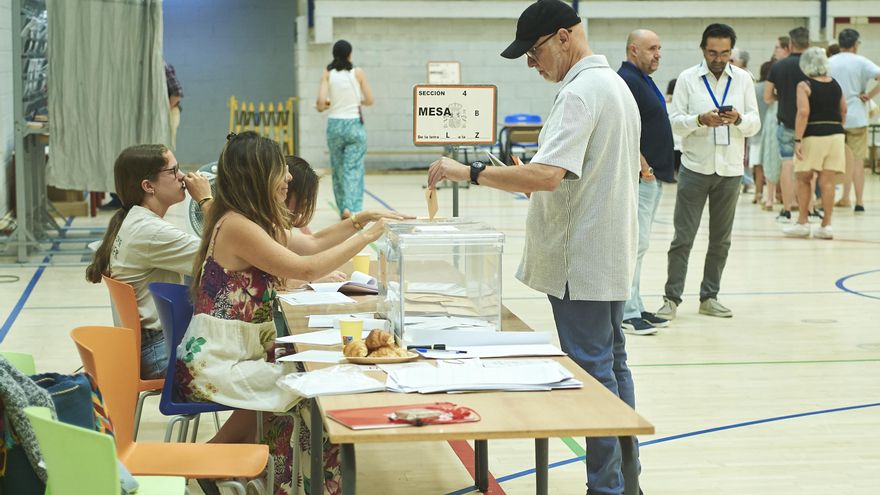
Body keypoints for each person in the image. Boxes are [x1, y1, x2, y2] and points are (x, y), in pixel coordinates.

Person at [428, 1, 642, 493]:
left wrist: (472, 171)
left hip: (581, 259)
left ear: (565, 37)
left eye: (535, 50)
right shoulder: (614, 86)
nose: (531, 62)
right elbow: (569, 171)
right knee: (613, 368)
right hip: (607, 253)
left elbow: (546, 177)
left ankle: (607, 488)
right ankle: (626, 484)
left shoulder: (580, 94)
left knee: (594, 377)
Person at [176, 132, 388, 495]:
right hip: (217, 363)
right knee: (314, 389)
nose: (289, 178)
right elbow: (306, 268)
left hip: (234, 354)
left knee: (308, 376)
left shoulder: (246, 219)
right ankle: (272, 478)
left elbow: (314, 243)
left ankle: (266, 475)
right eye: (281, 171)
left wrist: (356, 222)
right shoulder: (239, 226)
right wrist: (365, 238)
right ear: (260, 175)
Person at [657, 23, 760, 320]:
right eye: (713, 52)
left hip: (730, 170)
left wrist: (739, 119)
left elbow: (755, 122)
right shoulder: (688, 79)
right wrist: (700, 120)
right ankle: (671, 298)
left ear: (731, 51)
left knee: (721, 240)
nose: (718, 58)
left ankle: (709, 296)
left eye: (724, 52)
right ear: (703, 49)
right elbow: (674, 122)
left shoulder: (742, 79)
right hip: (695, 167)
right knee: (683, 238)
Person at [85, 144, 212, 379]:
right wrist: (206, 199)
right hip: (157, 351)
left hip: (153, 344)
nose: (183, 176)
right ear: (148, 186)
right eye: (173, 171)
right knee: (249, 361)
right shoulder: (149, 231)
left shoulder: (136, 221)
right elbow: (221, 253)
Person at [617, 29, 675, 336]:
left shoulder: (642, 79)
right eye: (652, 48)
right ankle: (626, 312)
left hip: (652, 176)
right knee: (633, 246)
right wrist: (642, 163)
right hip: (640, 177)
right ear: (633, 51)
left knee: (640, 246)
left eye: (659, 48)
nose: (658, 54)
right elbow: (624, 127)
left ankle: (635, 305)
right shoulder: (626, 80)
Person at [285, 155, 409, 257]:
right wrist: (368, 235)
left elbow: (314, 242)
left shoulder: (276, 229)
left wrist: (365, 217)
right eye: (303, 200)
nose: (302, 208)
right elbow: (306, 267)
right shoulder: (269, 230)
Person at [782, 47, 846, 239]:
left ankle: (803, 223)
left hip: (813, 135)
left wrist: (798, 140)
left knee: (803, 177)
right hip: (836, 135)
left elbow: (803, 113)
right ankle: (826, 226)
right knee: (828, 181)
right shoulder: (835, 84)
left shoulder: (804, 85)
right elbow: (844, 109)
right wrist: (838, 128)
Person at [316, 40, 374, 219]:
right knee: (354, 168)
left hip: (335, 125)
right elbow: (370, 99)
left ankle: (343, 208)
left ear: (334, 54)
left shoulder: (328, 73)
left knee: (338, 167)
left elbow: (320, 102)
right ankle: (354, 207)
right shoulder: (358, 72)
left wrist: (325, 105)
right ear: (350, 54)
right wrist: (360, 102)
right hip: (354, 125)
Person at [829, 28, 880, 213]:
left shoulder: (829, 62)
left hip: (834, 119)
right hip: (857, 118)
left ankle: (835, 198)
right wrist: (869, 94)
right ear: (855, 44)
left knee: (835, 161)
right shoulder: (861, 62)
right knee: (857, 161)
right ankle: (858, 202)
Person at [765, 27, 811, 223]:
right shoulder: (813, 66)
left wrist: (781, 96)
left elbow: (768, 97)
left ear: (790, 44)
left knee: (786, 164)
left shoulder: (778, 67)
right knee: (809, 166)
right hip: (809, 125)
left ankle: (786, 210)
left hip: (785, 122)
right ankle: (809, 208)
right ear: (808, 44)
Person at [757, 60, 782, 211]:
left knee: (770, 156)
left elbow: (768, 97)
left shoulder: (774, 74)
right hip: (791, 115)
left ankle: (769, 198)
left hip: (775, 115)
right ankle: (789, 198)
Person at [166, 62, 183, 151]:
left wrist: (164, 111)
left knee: (165, 145)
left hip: (170, 111)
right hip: (168, 110)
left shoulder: (163, 67)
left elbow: (177, 93)